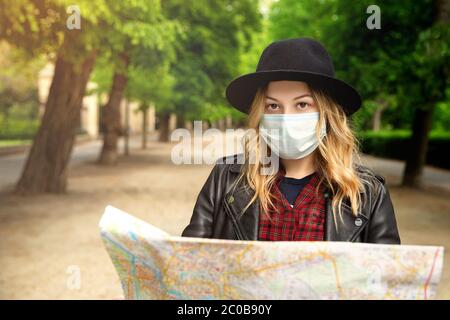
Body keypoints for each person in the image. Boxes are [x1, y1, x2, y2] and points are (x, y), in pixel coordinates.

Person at [181, 37, 401, 244]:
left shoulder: (368, 193)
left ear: (327, 114)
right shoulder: (225, 178)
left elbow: (386, 276)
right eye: (273, 106)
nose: (286, 118)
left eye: (302, 104)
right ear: (260, 115)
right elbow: (190, 262)